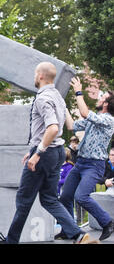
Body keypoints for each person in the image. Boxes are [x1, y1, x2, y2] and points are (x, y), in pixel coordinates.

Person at [0, 62, 97, 244]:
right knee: (48, 199)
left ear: (40, 76)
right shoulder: (58, 97)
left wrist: (38, 152)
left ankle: (11, 241)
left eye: (34, 74)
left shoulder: (43, 98)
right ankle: (78, 235)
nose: (34, 77)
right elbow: (69, 126)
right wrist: (32, 150)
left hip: (45, 154)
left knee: (24, 199)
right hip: (57, 153)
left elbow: (53, 128)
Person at [61, 84, 114, 241]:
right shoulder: (94, 119)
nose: (99, 98)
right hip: (81, 164)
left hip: (94, 165)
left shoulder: (109, 120)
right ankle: (69, 229)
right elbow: (71, 126)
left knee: (81, 196)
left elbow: (84, 112)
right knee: (65, 197)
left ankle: (107, 222)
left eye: (102, 97)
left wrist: (78, 91)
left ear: (106, 104)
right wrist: (63, 106)